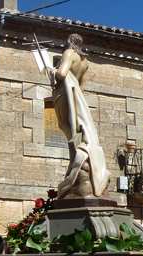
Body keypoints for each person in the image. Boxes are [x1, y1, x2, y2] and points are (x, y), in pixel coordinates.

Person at [50, 33, 110, 199]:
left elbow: (61, 74)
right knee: (73, 128)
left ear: (68, 42)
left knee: (64, 126)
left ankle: (76, 159)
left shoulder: (68, 53)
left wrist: (51, 70)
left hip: (63, 93)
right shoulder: (85, 62)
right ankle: (77, 159)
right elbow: (81, 88)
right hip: (75, 97)